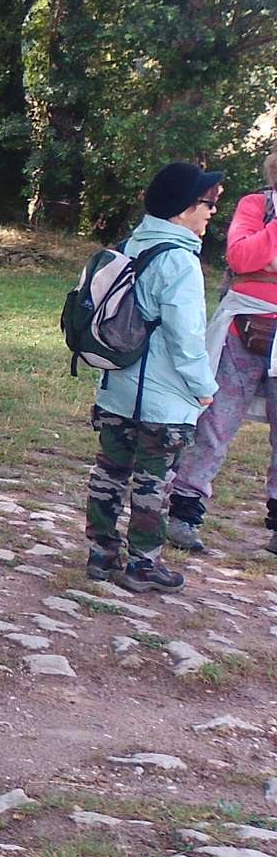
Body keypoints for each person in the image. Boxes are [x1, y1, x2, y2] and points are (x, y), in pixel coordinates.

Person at [84, 161, 221, 594]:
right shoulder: (180, 261)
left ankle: (101, 554)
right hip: (163, 400)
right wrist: (204, 388)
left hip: (115, 388)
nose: (213, 211)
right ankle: (143, 564)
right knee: (153, 482)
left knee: (109, 473)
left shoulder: (129, 245)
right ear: (182, 208)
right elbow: (186, 337)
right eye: (208, 202)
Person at [166, 146, 277, 554]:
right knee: (216, 423)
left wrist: (266, 262)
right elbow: (241, 257)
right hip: (242, 327)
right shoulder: (256, 205)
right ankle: (183, 512)